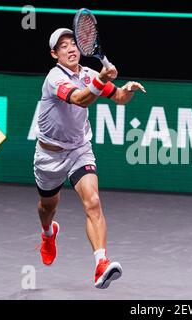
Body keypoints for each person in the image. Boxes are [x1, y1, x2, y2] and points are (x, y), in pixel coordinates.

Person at [33, 28, 145, 289]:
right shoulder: (54, 78)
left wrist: (127, 88)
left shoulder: (87, 73)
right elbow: (80, 100)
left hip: (79, 150)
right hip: (49, 155)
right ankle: (48, 234)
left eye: (73, 43)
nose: (71, 48)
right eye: (63, 46)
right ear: (54, 54)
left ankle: (101, 264)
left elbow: (118, 97)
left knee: (93, 201)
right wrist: (102, 78)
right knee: (47, 208)